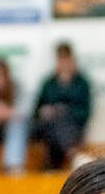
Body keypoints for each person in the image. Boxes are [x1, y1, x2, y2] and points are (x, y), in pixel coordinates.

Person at [32, 43, 92, 172]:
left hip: (72, 127)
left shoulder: (81, 83)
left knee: (60, 117)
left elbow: (85, 113)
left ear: (72, 60)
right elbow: (36, 111)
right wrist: (46, 111)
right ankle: (72, 153)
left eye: (66, 59)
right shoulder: (48, 83)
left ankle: (50, 165)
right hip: (48, 127)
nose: (63, 63)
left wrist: (66, 110)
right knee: (54, 120)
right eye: (61, 59)